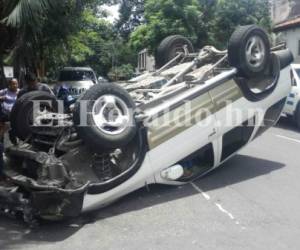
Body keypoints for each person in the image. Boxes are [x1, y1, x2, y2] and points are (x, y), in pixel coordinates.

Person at [0, 78, 20, 181]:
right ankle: (2, 151)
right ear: (9, 85)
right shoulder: (4, 91)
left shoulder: (19, 92)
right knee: (2, 136)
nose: (15, 86)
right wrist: (1, 98)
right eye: (13, 84)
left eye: (16, 84)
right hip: (4, 116)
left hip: (15, 116)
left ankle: (16, 149)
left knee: (14, 133)